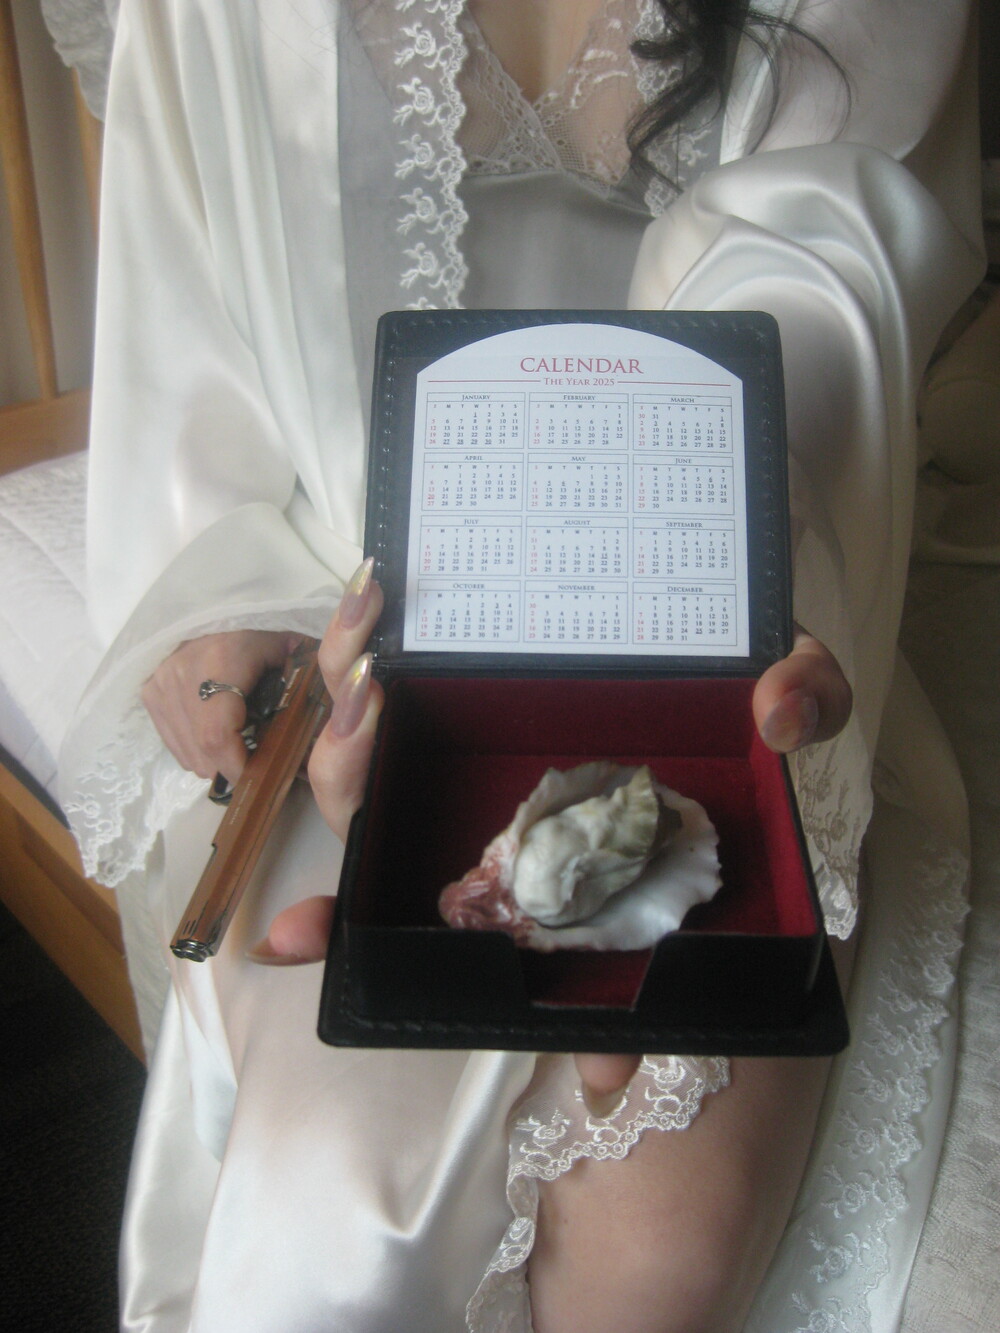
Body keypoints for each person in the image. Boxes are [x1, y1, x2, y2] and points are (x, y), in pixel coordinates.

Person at [59, 1, 983, 1329]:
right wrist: (229, 603)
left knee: (652, 1265)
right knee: (333, 1211)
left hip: (720, 590)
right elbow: (188, 337)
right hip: (348, 626)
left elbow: (833, 257)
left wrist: (736, 556)